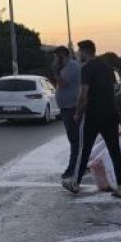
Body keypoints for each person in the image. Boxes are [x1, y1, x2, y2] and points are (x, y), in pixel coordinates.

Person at [64, 40, 121, 198]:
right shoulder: (107, 67)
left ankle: (75, 184)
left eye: (79, 51)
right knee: (115, 151)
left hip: (93, 115)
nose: (78, 54)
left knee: (84, 150)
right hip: (111, 114)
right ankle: (120, 188)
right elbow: (112, 90)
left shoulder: (87, 69)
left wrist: (78, 113)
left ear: (85, 51)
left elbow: (83, 95)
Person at [51, 46, 81, 179]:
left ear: (62, 56)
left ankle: (73, 169)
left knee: (75, 141)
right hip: (67, 108)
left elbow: (62, 83)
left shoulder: (71, 66)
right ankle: (77, 166)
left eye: (56, 57)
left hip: (71, 108)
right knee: (75, 140)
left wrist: (55, 70)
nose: (54, 60)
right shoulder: (66, 67)